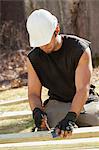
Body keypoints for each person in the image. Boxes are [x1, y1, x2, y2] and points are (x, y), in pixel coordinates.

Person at [26, 9, 99, 138]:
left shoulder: (80, 49)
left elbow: (83, 89)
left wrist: (71, 117)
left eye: (46, 42)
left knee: (95, 125)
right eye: (39, 44)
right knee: (51, 133)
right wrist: (37, 111)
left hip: (86, 101)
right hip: (57, 103)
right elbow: (33, 93)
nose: (43, 47)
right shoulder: (33, 58)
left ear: (57, 30)